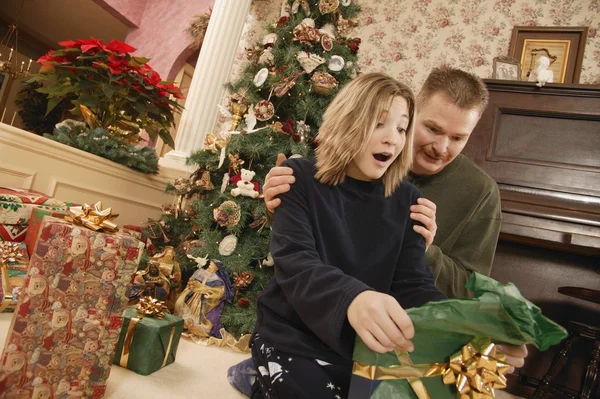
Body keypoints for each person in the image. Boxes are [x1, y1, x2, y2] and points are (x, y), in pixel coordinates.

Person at [261, 66, 528, 369]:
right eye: (433, 130)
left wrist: (470, 323)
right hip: (301, 333)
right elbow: (299, 255)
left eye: (457, 138)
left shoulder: (458, 195)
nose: (441, 148)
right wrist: (276, 207)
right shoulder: (311, 172)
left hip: (380, 342)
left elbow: (420, 283)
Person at [251, 72, 446, 398]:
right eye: (379, 123)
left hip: (363, 350)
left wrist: (456, 324)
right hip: (291, 338)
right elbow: (297, 264)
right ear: (349, 121)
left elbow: (414, 284)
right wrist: (352, 298)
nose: (392, 139)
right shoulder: (299, 177)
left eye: (401, 128)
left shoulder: (410, 200)